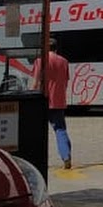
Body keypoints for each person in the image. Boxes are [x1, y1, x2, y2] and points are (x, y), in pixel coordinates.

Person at [32, 37, 73, 170]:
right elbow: (65, 82)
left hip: (43, 101)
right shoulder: (64, 61)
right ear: (56, 48)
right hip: (59, 101)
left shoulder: (40, 61)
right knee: (60, 130)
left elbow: (36, 82)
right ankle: (66, 156)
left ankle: (37, 160)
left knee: (37, 132)